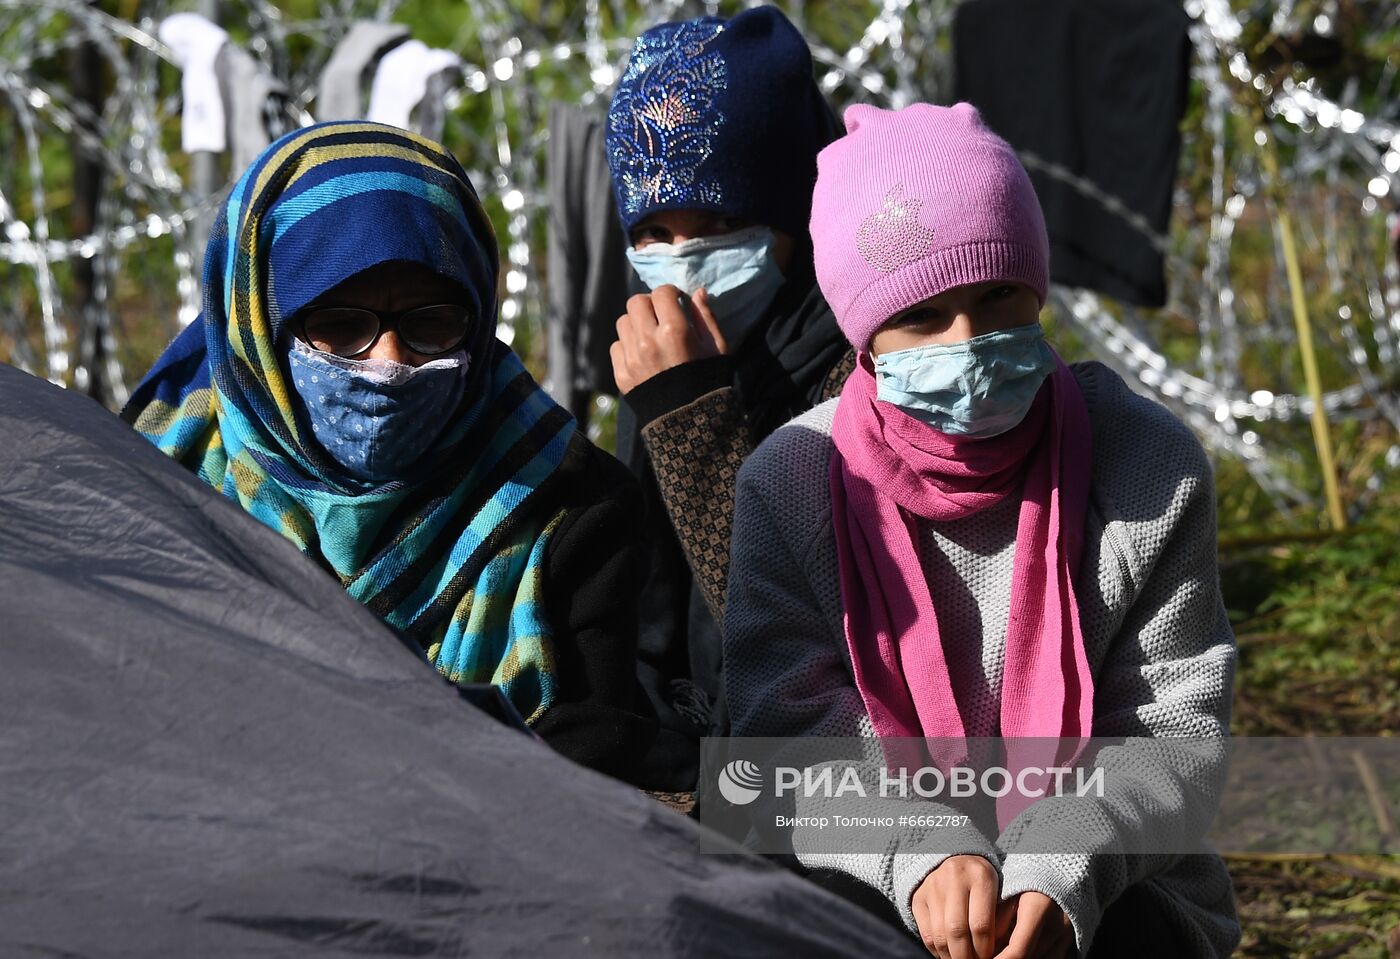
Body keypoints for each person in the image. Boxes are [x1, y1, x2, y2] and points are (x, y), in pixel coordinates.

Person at [723, 103, 1240, 957]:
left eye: (998, 296)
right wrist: (918, 853)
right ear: (865, 334)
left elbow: (1174, 732)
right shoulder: (791, 483)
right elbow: (788, 737)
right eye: (923, 316)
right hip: (872, 879)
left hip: (1118, 884)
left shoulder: (1146, 462)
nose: (969, 341)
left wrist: (1061, 861)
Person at [123, 121, 655, 783]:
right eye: (341, 326)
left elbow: (599, 761)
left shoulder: (564, 502)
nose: (391, 362)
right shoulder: (160, 493)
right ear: (261, 327)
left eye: (432, 322)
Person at [605, 4, 853, 790]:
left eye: (720, 221)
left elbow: (797, 640)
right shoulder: (647, 359)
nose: (685, 262)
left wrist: (691, 415)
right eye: (653, 234)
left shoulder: (870, 368)